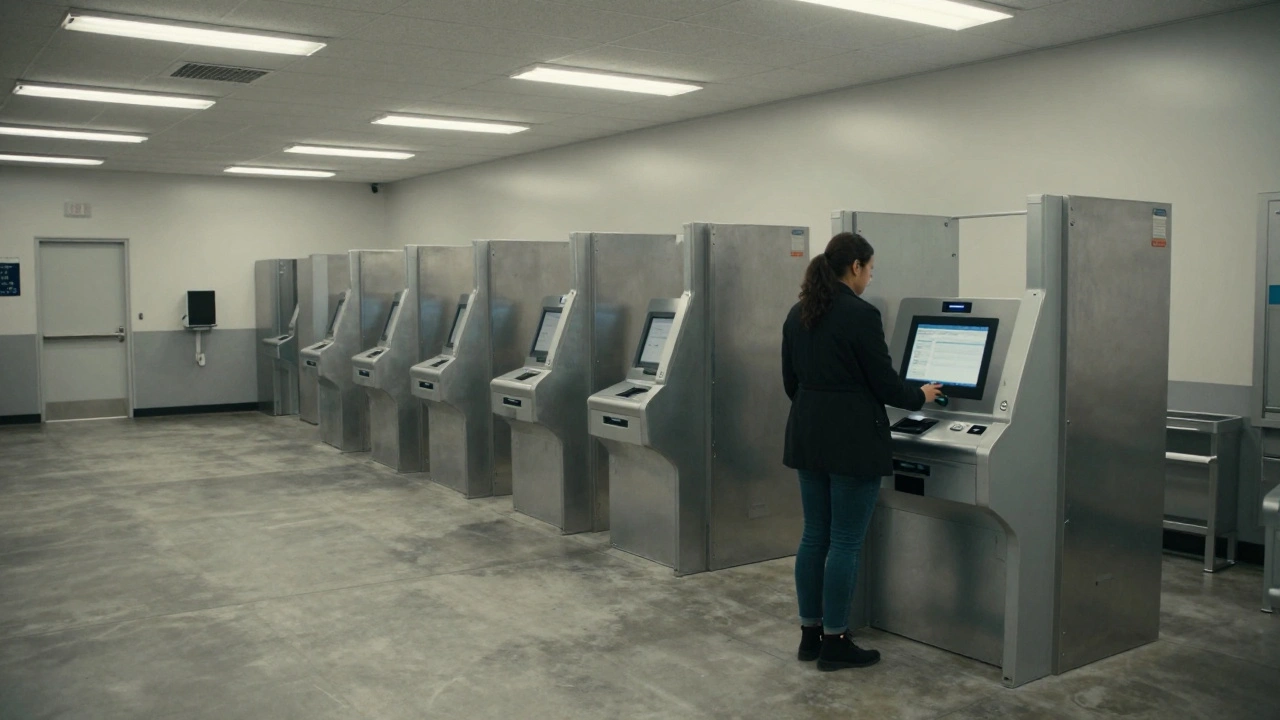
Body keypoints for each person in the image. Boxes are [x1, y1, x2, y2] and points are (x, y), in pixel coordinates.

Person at [781, 231, 943, 672]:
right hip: (852, 441)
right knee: (846, 543)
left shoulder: (798, 313)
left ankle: (810, 636)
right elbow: (885, 384)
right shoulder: (860, 314)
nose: (870, 278)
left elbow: (790, 383)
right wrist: (922, 395)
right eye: (870, 270)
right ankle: (836, 641)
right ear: (855, 267)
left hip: (807, 436)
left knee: (815, 536)